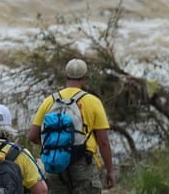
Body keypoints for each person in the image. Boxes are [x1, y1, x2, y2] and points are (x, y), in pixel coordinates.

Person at [27, 59, 115, 193]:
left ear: (66, 76)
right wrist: (110, 171)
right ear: (84, 78)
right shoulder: (93, 102)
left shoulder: (49, 101)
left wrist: (57, 146)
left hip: (56, 164)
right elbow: (103, 142)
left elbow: (33, 136)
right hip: (83, 164)